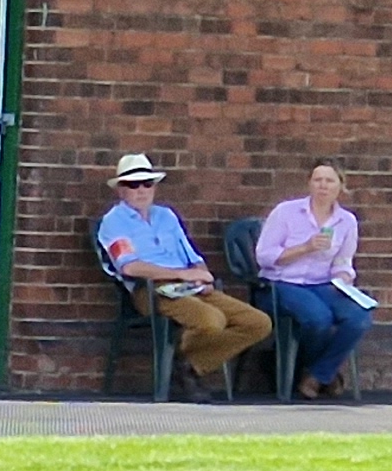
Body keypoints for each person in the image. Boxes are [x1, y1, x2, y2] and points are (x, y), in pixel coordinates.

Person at [96, 152, 271, 393]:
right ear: (121, 190)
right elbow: (129, 266)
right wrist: (180, 274)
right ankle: (185, 368)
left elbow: (192, 257)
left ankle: (189, 364)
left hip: (189, 286)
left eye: (147, 183)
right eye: (133, 184)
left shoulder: (166, 216)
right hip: (150, 290)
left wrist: (202, 274)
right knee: (212, 320)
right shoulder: (114, 222)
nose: (141, 190)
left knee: (258, 323)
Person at [256, 162, 373, 399]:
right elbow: (264, 256)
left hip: (322, 283)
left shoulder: (346, 221)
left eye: (329, 181)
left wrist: (343, 280)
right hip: (282, 282)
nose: (323, 186)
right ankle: (321, 374)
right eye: (318, 180)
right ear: (309, 183)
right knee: (318, 318)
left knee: (359, 317)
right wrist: (305, 248)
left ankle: (318, 374)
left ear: (341, 186)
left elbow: (343, 261)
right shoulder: (286, 212)